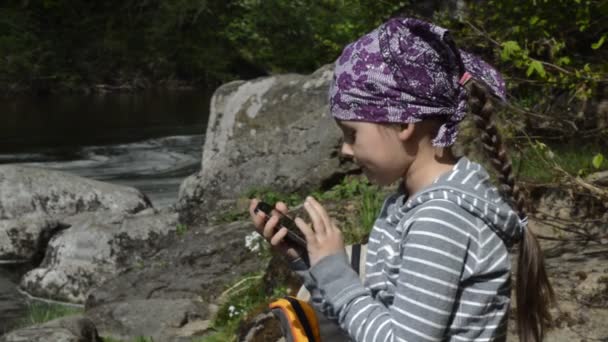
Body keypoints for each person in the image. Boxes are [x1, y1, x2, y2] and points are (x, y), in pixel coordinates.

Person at [249, 17, 554, 342]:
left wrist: (336, 272)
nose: (346, 150)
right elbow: (366, 321)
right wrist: (313, 265)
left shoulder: (440, 219)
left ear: (403, 123)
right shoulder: (409, 202)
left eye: (352, 133)